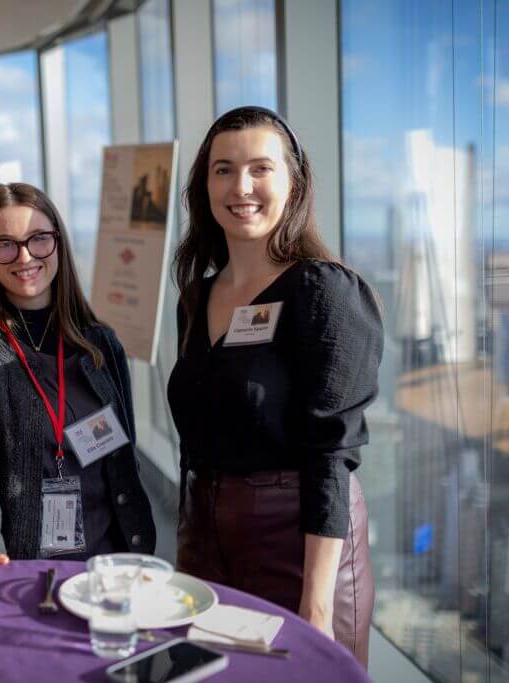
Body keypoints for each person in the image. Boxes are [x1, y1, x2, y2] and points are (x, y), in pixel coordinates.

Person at [167, 106, 382, 667]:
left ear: (294, 182)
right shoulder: (197, 296)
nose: (241, 187)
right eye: (223, 169)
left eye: (260, 168)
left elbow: (332, 452)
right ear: (204, 186)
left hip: (299, 547)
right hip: (206, 541)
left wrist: (317, 605)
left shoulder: (323, 291)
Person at [0, 182, 155, 566]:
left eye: (38, 239)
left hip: (113, 563)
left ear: (58, 243)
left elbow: (124, 454)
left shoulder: (101, 345)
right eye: (5, 244)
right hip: (25, 568)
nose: (24, 256)